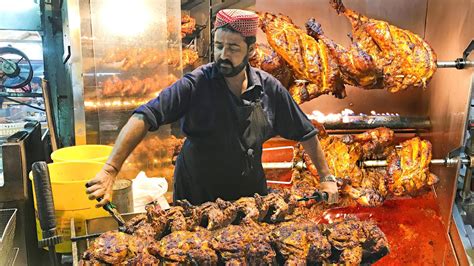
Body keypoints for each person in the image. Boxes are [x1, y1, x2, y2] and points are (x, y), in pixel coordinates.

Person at [86, 9, 338, 207]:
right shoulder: (196, 83)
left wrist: (326, 178)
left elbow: (305, 132)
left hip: (249, 198)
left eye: (233, 48)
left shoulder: (269, 88)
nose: (223, 54)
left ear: (250, 50)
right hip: (197, 198)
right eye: (219, 46)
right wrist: (110, 169)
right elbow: (144, 115)